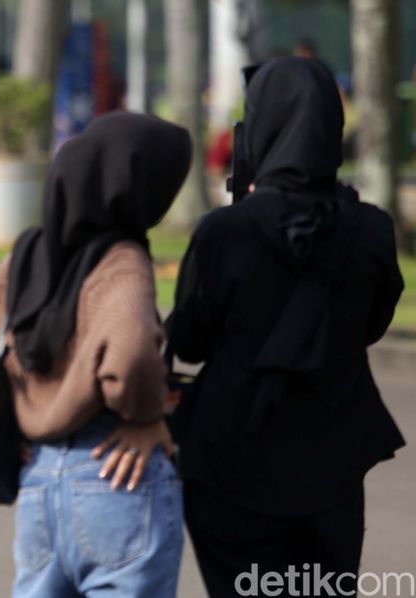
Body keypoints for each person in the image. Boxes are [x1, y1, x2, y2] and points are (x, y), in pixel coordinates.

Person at [165, 57, 405, 597]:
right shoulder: (370, 229)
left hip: (232, 464)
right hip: (333, 464)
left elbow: (189, 340)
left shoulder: (226, 232)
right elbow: (371, 325)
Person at [0, 112, 191, 597]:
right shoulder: (123, 260)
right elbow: (132, 352)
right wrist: (144, 416)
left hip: (38, 478)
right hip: (114, 468)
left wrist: (24, 410)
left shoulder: (28, 254)